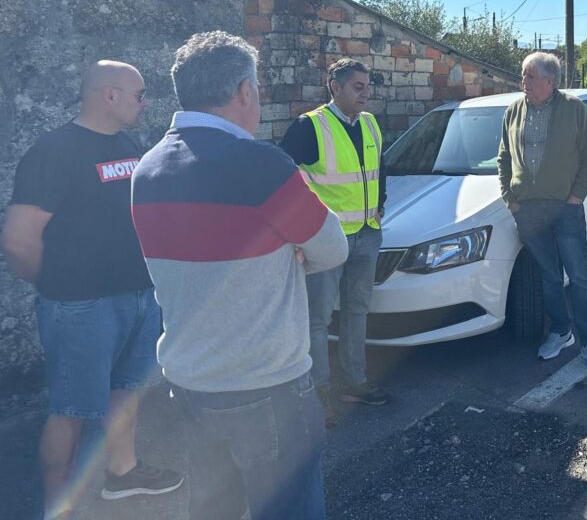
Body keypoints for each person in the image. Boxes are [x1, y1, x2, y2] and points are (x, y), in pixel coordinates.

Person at [130, 31, 348, 520]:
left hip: (190, 383)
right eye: (259, 88)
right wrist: (290, 253)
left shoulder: (147, 169)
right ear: (244, 91)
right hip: (266, 384)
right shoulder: (260, 165)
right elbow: (333, 249)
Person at [1, 61, 182, 520]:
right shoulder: (53, 151)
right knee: (71, 410)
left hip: (138, 296)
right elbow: (19, 240)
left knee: (126, 392)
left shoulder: (128, 144)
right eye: (140, 94)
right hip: (80, 306)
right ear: (110, 95)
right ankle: (57, 507)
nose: (145, 104)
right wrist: (53, 285)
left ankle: (122, 473)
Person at [279, 58, 389, 419]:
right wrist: (299, 230)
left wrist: (380, 206)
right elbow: (282, 179)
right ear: (335, 87)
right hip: (326, 240)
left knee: (357, 311)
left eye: (368, 86)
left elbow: (379, 170)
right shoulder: (310, 126)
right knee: (319, 318)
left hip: (367, 233)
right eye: (358, 87)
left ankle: (353, 382)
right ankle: (319, 394)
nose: (365, 94)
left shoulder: (369, 123)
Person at [497, 52, 587, 373]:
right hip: (528, 211)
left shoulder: (573, 108)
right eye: (523, 75)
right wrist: (509, 198)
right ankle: (561, 332)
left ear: (549, 81)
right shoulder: (513, 110)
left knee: (578, 277)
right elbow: (504, 157)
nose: (523, 81)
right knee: (549, 277)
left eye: (529, 76)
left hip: (565, 208)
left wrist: (576, 197)